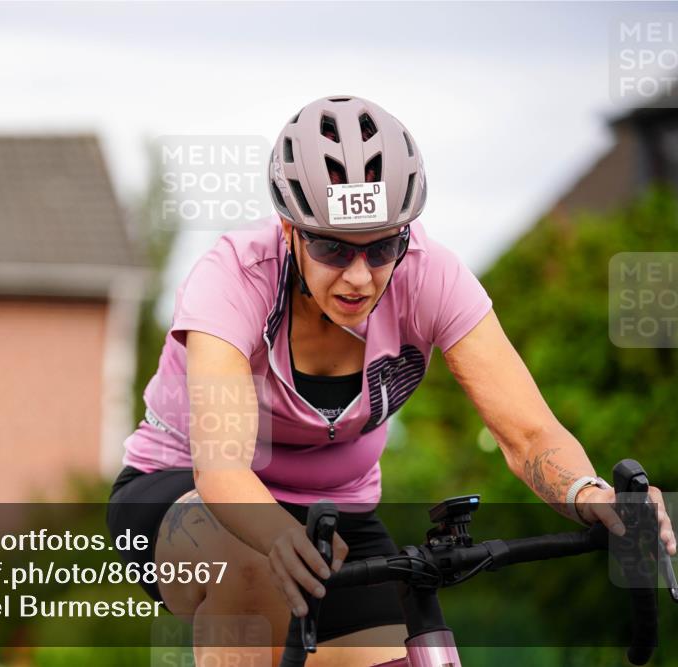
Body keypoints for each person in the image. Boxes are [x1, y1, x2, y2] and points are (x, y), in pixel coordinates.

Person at [107, 95, 676, 667]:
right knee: (252, 568)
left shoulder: (432, 276)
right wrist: (281, 539)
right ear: (289, 230)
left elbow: (527, 434)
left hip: (338, 513)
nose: (359, 276)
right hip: (187, 492)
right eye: (332, 247)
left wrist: (588, 491)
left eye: (382, 246)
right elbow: (223, 467)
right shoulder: (233, 277)